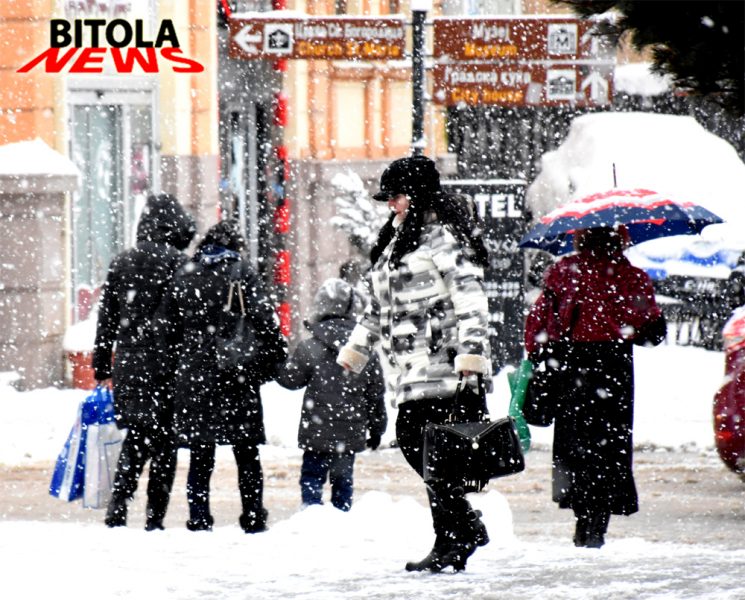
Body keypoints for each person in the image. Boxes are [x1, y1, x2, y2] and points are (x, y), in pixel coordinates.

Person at [337, 155, 493, 573]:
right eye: (388, 197)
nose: (391, 204)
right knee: (427, 452)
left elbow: (471, 299)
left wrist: (471, 355)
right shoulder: (396, 242)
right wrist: (356, 351)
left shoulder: (442, 238)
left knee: (423, 446)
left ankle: (456, 533)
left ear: (418, 195)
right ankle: (457, 533)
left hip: (444, 362)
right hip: (408, 368)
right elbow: (377, 309)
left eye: (397, 196)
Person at [524, 226, 667, 549]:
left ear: (580, 237)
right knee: (609, 445)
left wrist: (543, 350)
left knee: (575, 443)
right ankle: (598, 522)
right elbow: (651, 332)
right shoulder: (632, 277)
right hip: (614, 370)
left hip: (571, 367)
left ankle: (582, 516)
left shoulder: (564, 271)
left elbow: (539, 324)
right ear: (621, 240)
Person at [157, 220, 287, 533]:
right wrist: (273, 357)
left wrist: (178, 362)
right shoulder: (241, 272)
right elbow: (265, 319)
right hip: (236, 373)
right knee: (246, 451)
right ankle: (253, 516)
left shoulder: (184, 274)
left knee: (201, 452)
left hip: (196, 374)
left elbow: (166, 328)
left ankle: (199, 517)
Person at [92, 192, 196, 531]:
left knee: (136, 437)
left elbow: (106, 320)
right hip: (168, 366)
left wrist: (102, 366)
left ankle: (118, 506)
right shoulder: (179, 264)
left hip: (130, 366)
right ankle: (155, 518)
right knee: (165, 443)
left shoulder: (122, 262)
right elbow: (187, 319)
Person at [276, 277, 387, 511]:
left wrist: (275, 361)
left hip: (316, 430)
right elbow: (375, 394)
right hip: (349, 432)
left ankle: (311, 515)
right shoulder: (365, 351)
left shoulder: (310, 347)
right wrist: (377, 428)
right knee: (343, 481)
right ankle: (341, 517)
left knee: (312, 478)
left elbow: (290, 380)